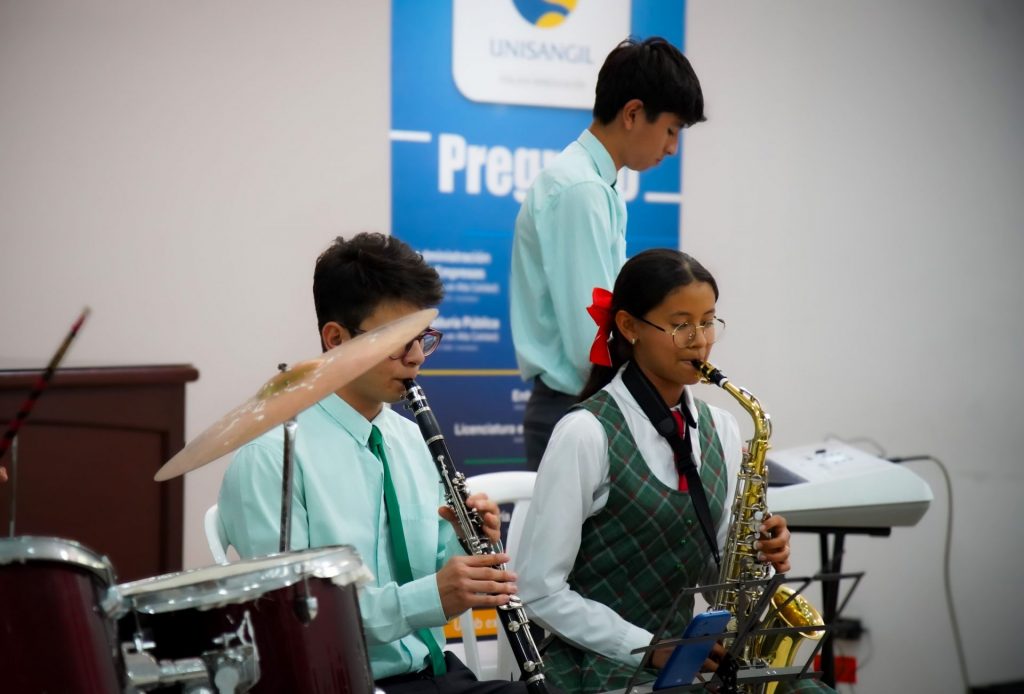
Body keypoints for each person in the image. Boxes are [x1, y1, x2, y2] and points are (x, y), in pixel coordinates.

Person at [219, 233, 527, 694]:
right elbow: (296, 621)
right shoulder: (272, 458)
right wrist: (429, 596)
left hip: (435, 673)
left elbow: (437, 575)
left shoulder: (412, 439)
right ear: (336, 339)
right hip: (341, 683)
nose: (417, 358)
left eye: (422, 338)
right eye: (399, 341)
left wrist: (468, 548)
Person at [513, 249, 831, 694]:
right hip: (595, 663)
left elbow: (718, 580)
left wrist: (758, 554)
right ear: (629, 326)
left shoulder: (721, 428)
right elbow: (539, 592)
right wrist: (648, 647)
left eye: (708, 322)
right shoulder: (585, 432)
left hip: (688, 659)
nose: (699, 341)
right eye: (681, 324)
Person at [510, 37, 706, 471]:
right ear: (633, 113)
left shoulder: (595, 183)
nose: (672, 148)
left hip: (583, 403)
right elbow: (593, 340)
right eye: (671, 130)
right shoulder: (580, 189)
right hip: (578, 406)